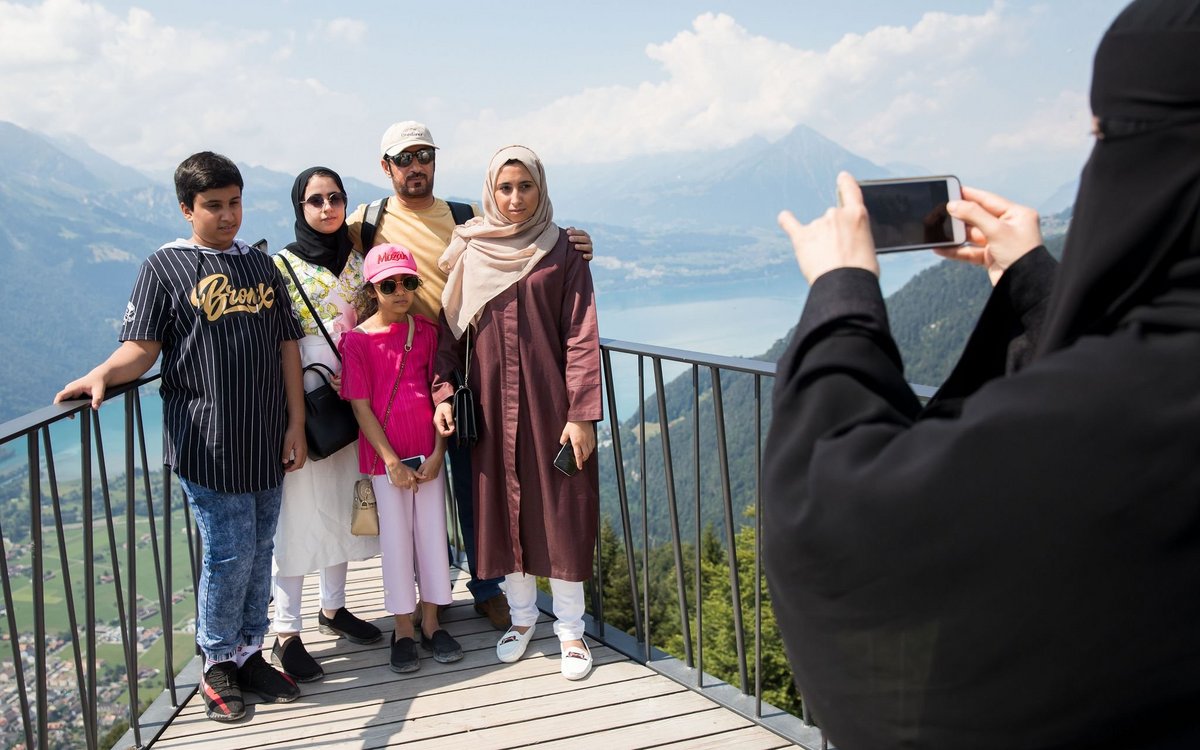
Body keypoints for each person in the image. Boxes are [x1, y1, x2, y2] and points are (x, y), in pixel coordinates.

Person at [761, 1, 1200, 748]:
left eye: (1101, 138)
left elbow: (837, 512)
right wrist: (1033, 283)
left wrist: (841, 297)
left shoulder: (1121, 421)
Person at [54, 152, 306, 722]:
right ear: (186, 209)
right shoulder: (164, 268)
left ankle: (250, 651)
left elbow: (287, 346)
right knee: (228, 553)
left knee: (260, 549)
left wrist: (295, 423)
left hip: (266, 437)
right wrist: (102, 373)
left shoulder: (261, 266)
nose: (228, 215)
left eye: (235, 202)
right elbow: (141, 348)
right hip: (206, 442)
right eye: (214, 206)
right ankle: (217, 662)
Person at [345, 121, 595, 631]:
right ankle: (422, 603)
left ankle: (487, 588)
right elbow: (325, 247)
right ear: (387, 167)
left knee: (475, 485)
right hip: (416, 371)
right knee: (437, 491)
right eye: (404, 158)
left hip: (462, 371)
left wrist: (575, 242)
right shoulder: (366, 223)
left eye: (423, 155)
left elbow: (530, 258)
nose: (415, 166)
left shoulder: (467, 220)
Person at [433, 145, 602, 681]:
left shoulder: (562, 250)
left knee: (562, 512)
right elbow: (449, 333)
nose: (514, 198)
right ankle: (523, 618)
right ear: (491, 190)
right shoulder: (471, 250)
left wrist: (581, 413)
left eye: (524, 186)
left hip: (552, 407)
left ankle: (570, 629)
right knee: (504, 514)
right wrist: (442, 393)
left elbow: (581, 335)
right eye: (504, 188)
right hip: (490, 408)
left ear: (540, 188)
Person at [268, 166, 383, 683]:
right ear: (300, 207)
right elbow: (279, 344)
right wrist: (291, 414)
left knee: (345, 505)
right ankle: (285, 631)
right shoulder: (281, 266)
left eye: (335, 198)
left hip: (356, 400)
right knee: (296, 517)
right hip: (306, 404)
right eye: (315, 200)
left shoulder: (359, 260)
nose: (327, 208)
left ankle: (334, 607)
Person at [341, 243, 463, 673]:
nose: (400, 292)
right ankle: (403, 628)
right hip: (385, 462)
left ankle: (431, 623)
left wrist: (439, 453)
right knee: (395, 544)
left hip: (427, 454)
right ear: (372, 290)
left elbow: (438, 393)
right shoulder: (356, 341)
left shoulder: (426, 331)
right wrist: (391, 461)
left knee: (431, 537)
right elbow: (360, 407)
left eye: (408, 282)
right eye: (388, 285)